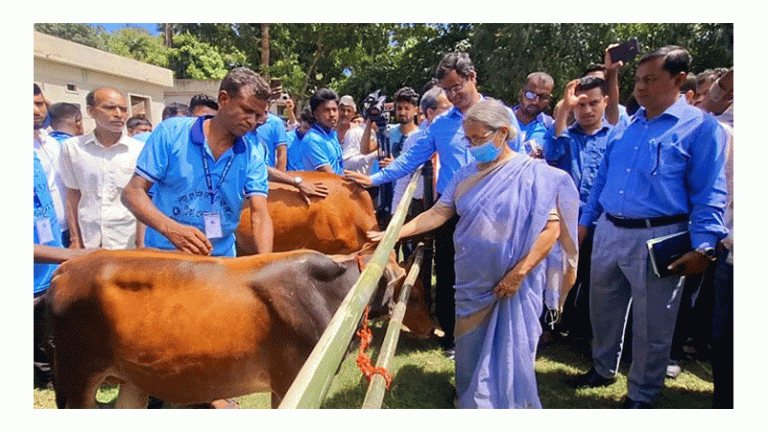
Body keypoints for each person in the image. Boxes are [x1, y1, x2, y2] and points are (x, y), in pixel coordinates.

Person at [368, 98, 578, 408]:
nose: (472, 146)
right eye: (468, 139)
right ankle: (470, 400)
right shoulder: (465, 174)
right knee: (469, 348)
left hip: (516, 283)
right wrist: (396, 233)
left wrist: (519, 273)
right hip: (472, 280)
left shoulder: (533, 174)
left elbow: (551, 230)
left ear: (503, 132)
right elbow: (439, 212)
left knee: (513, 351)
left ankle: (507, 405)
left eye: (478, 139)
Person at [573, 46, 728, 409]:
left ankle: (642, 393)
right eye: (638, 79)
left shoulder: (701, 127)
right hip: (609, 230)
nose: (640, 87)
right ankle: (603, 369)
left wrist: (704, 245)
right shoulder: (626, 126)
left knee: (653, 323)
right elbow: (602, 180)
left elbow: (709, 191)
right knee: (603, 309)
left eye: (650, 80)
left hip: (660, 236)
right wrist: (585, 222)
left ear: (678, 80)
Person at [349, 52, 524, 354]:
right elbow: (411, 157)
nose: (453, 95)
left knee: (492, 272)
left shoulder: (501, 115)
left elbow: (517, 160)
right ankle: (453, 336)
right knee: (448, 273)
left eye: (458, 86)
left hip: (495, 210)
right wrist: (376, 179)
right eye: (447, 90)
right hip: (451, 209)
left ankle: (491, 334)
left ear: (472, 78)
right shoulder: (441, 124)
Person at [122, 67, 274, 259]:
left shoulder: (253, 151)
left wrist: (266, 261)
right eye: (247, 110)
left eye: (258, 116)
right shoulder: (171, 133)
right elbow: (132, 193)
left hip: (220, 259)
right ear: (223, 99)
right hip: (166, 256)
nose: (252, 121)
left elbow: (260, 214)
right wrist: (171, 229)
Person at [543, 75, 615, 340]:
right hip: (565, 220)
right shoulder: (565, 136)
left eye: (593, 103)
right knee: (558, 275)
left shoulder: (616, 136)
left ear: (605, 102)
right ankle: (550, 326)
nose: (587, 110)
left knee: (595, 279)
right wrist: (564, 109)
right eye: (580, 105)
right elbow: (551, 154)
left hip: (601, 221)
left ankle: (582, 332)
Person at [59, 87, 145, 250]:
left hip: (127, 241)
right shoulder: (72, 148)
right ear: (90, 111)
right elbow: (72, 194)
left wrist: (141, 244)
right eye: (110, 108)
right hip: (89, 240)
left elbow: (145, 198)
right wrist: (75, 238)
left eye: (123, 109)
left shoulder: (140, 150)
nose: (119, 114)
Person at [34, 84, 68, 246]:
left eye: (39, 104)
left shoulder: (52, 143)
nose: (36, 111)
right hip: (37, 240)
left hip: (65, 231)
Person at [298, 88, 344, 175]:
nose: (332, 114)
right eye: (326, 110)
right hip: (325, 183)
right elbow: (329, 175)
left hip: (338, 181)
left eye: (334, 110)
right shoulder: (313, 139)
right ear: (315, 114)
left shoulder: (332, 134)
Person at [512, 72, 554, 155]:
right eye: (530, 94)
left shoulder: (550, 127)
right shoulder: (503, 120)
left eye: (543, 97)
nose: (535, 101)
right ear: (521, 93)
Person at [338, 95, 377, 175]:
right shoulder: (329, 131)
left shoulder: (360, 132)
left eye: (349, 111)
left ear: (354, 114)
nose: (345, 114)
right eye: (342, 110)